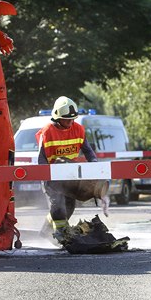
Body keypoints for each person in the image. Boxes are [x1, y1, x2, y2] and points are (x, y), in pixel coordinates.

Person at [36, 96, 99, 242]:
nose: (71, 122)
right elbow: (41, 159)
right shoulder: (47, 132)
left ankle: (45, 232)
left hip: (70, 175)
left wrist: (95, 165)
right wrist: (47, 177)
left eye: (73, 119)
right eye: (67, 120)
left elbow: (88, 151)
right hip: (51, 176)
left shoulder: (78, 129)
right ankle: (61, 235)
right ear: (57, 118)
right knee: (57, 204)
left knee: (69, 206)